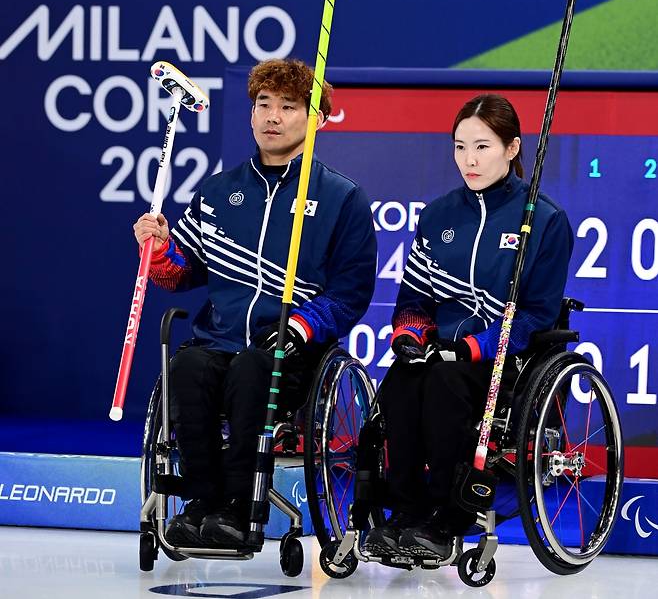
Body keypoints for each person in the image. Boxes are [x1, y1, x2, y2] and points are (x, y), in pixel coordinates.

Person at [133, 58, 377, 548]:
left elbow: (350, 294)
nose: (272, 116)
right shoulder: (219, 191)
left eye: (288, 107)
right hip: (218, 341)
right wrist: (158, 249)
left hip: (291, 353)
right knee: (187, 367)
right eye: (263, 104)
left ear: (316, 119)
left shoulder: (341, 198)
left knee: (251, 369)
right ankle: (202, 503)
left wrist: (300, 327)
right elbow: (180, 272)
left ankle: (240, 508)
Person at [363, 94, 573, 559]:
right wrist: (409, 337)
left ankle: (446, 517)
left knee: (445, 383)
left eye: (482, 147)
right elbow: (414, 299)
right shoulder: (437, 215)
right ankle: (404, 513)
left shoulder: (545, 219)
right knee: (401, 383)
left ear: (512, 148)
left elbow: (537, 314)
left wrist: (474, 347)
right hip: (440, 351)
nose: (469, 160)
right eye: (460, 147)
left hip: (503, 358)